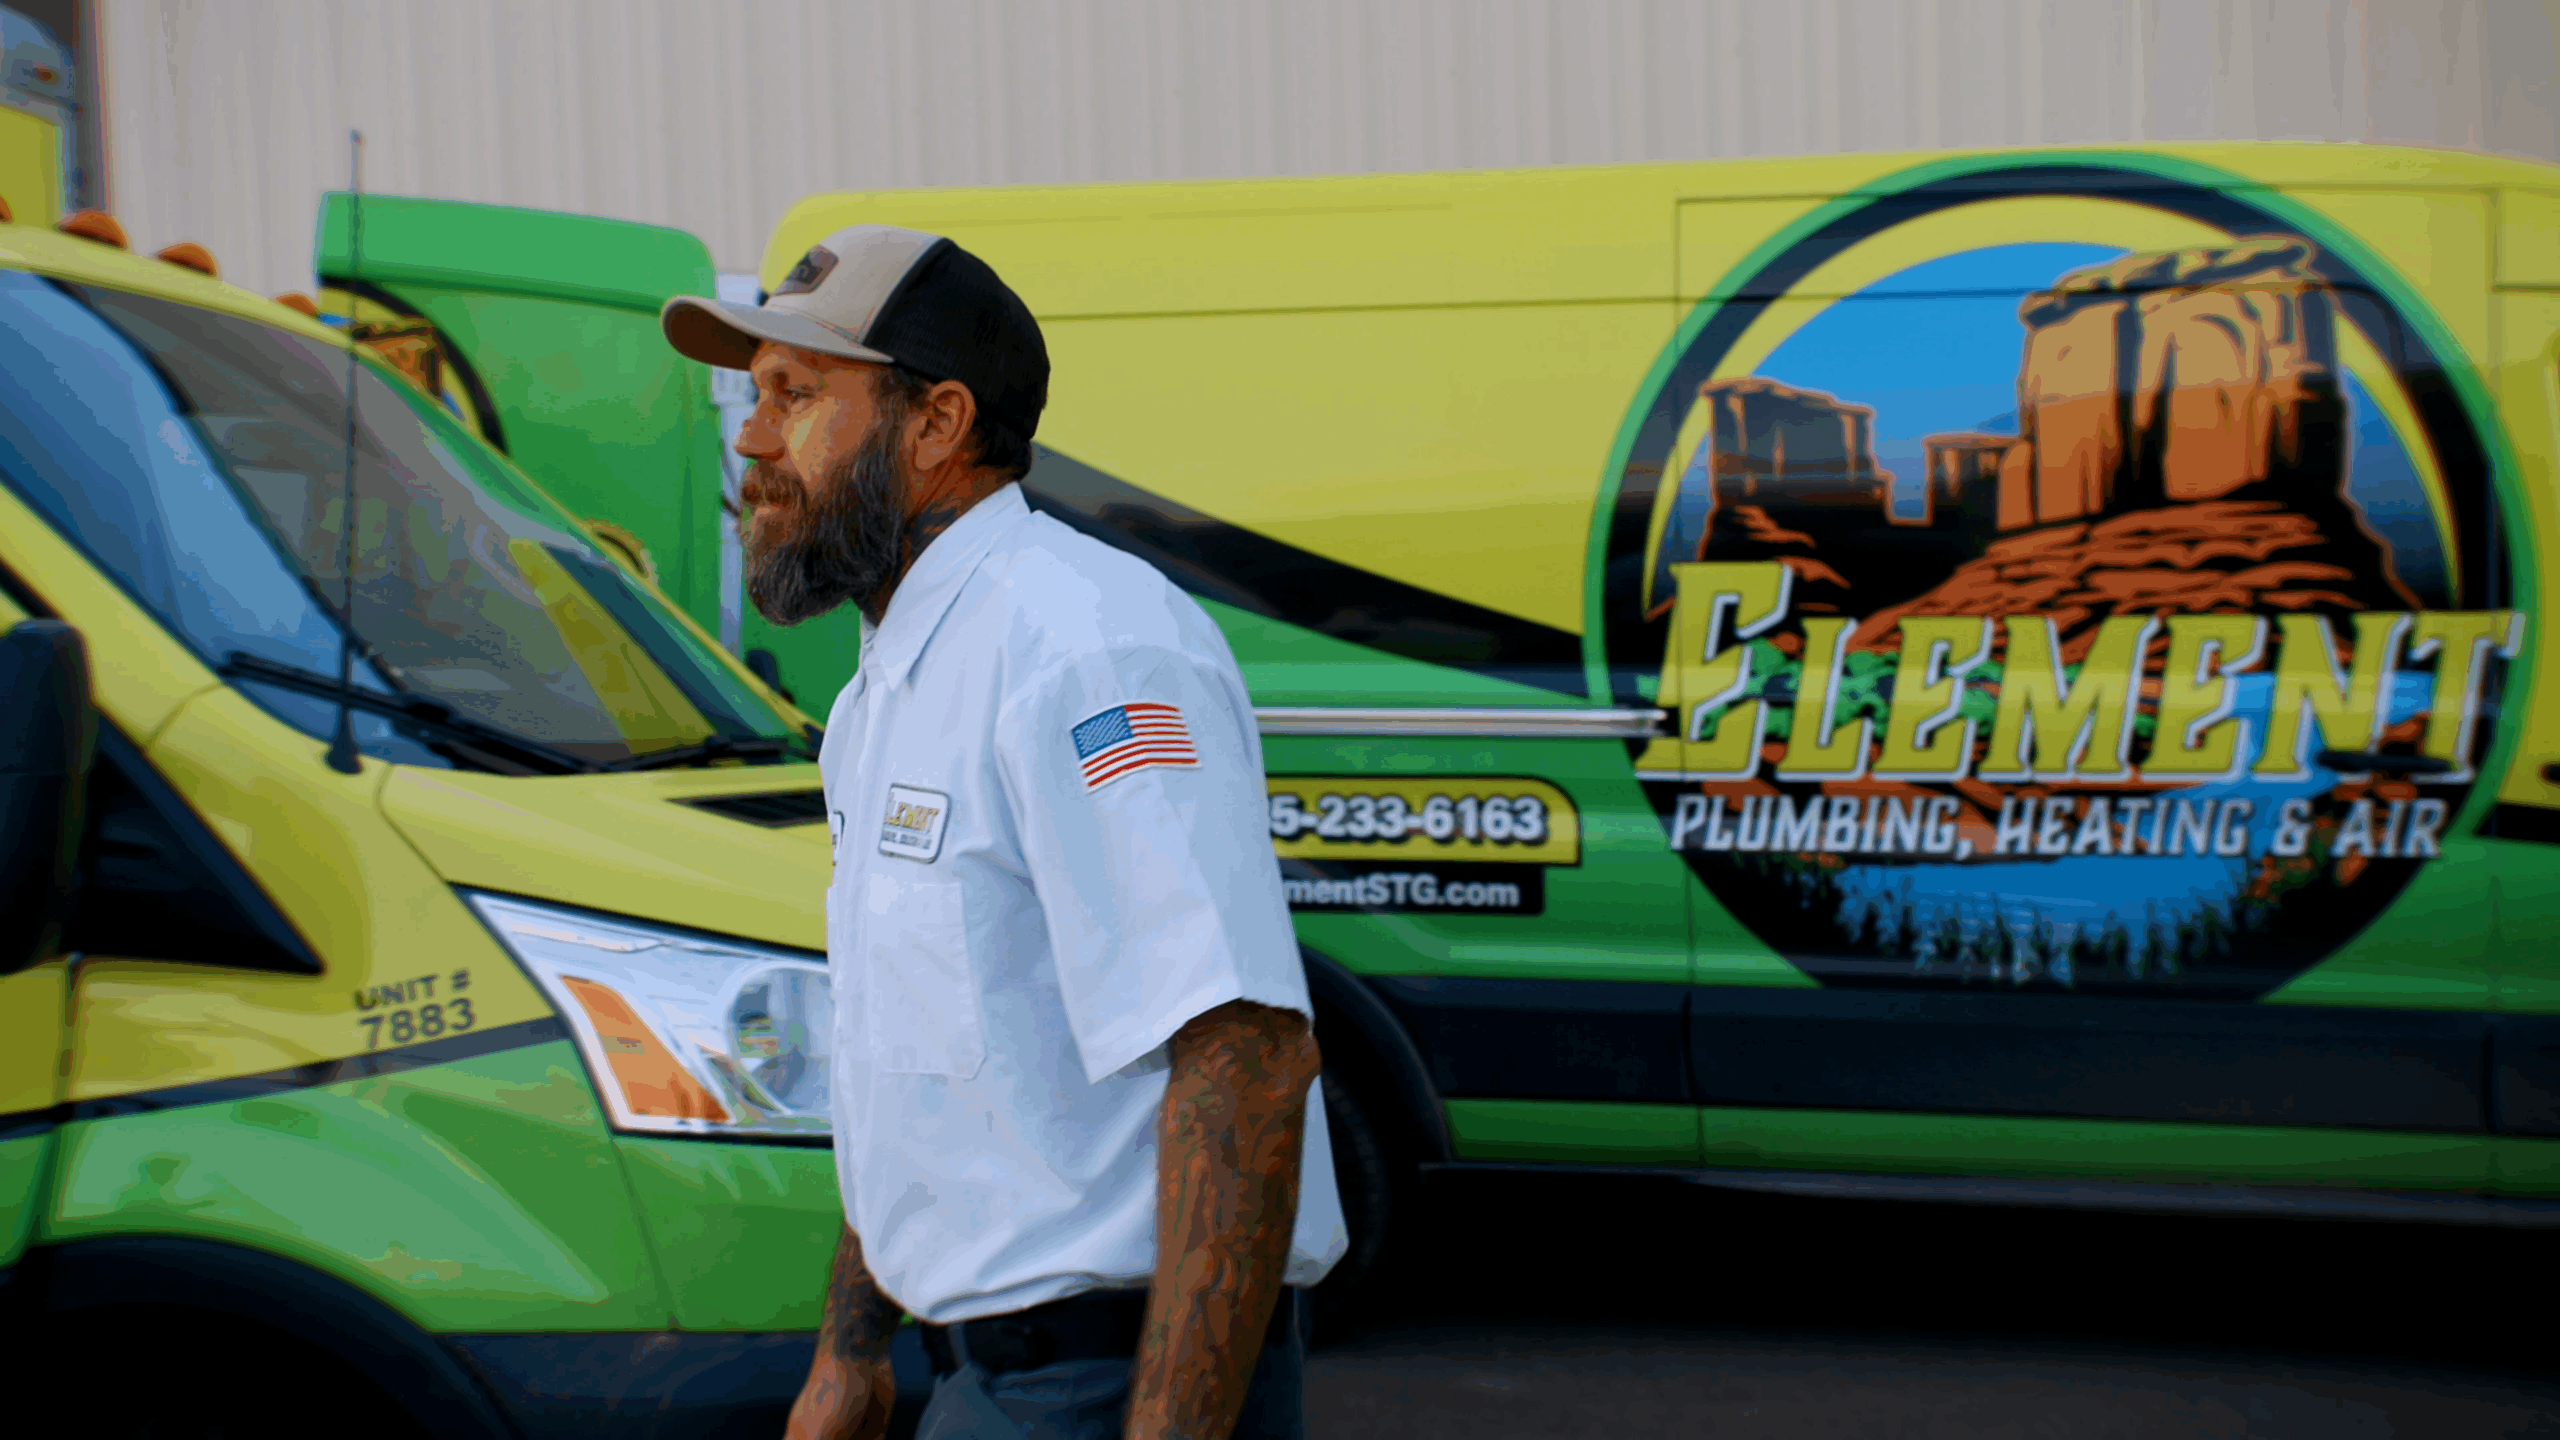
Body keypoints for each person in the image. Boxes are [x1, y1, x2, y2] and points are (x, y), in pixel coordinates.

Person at [661, 226, 1344, 1440]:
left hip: (1106, 1387)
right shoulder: (889, 688)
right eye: (753, 396)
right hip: (985, 1377)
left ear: (935, 427)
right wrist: (852, 1351)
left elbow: (1244, 1061)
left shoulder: (1086, 650)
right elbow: (922, 1065)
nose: (752, 440)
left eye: (797, 396)